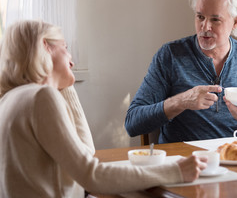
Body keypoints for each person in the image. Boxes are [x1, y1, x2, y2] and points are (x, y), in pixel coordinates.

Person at [0, 20, 206, 197]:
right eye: (65, 47)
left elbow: (86, 155)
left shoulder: (12, 98)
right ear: (45, 47)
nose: (72, 60)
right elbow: (92, 176)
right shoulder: (41, 98)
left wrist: (66, 85)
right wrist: (175, 171)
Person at [125, 0, 237, 143]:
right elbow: (132, 123)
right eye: (200, 17)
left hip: (235, 158)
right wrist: (182, 101)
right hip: (184, 161)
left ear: (235, 21)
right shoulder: (171, 56)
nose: (205, 27)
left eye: (215, 20)